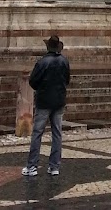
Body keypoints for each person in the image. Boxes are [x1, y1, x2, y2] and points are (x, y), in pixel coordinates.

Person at [22, 34, 71, 178]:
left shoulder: (42, 62)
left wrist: (42, 88)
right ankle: (54, 166)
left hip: (44, 101)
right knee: (57, 133)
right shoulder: (64, 61)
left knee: (37, 133)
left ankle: (32, 166)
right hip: (59, 100)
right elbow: (67, 79)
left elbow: (33, 81)